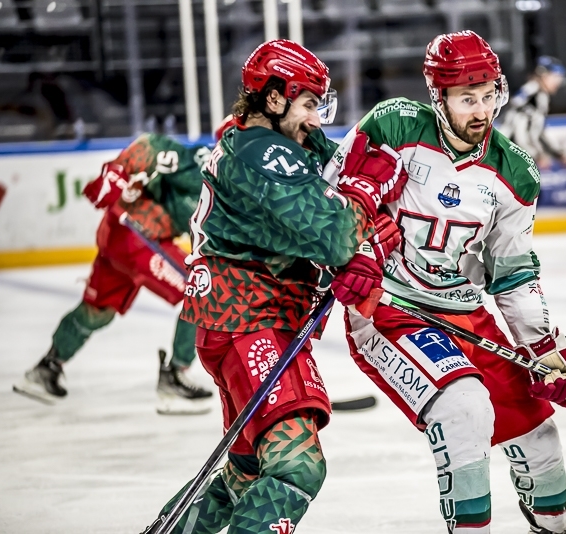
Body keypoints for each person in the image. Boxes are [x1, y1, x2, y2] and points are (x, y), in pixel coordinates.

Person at [325, 31, 566, 534]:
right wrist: (353, 243)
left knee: (538, 431)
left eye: (489, 95)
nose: (482, 110)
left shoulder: (514, 172)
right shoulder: (394, 126)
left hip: (462, 309)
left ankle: (555, 530)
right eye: (468, 98)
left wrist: (543, 347)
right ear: (438, 96)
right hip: (388, 307)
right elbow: (331, 200)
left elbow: (512, 269)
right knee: (464, 410)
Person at [141, 39, 405, 533]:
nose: (316, 120)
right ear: (275, 98)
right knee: (295, 467)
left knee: (246, 474)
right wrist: (366, 205)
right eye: (309, 104)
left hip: (244, 321)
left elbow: (340, 171)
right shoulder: (264, 153)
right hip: (250, 320)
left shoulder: (278, 141)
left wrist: (362, 229)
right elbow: (334, 232)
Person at [13, 133, 215, 415]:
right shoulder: (209, 162)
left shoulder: (248, 185)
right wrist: (118, 170)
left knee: (98, 311)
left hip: (122, 234)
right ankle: (175, 376)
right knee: (203, 290)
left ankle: (46, 369)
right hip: (138, 235)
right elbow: (153, 146)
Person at [498, 55, 566, 170]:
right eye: (555, 77)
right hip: (509, 156)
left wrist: (558, 153)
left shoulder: (541, 95)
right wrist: (535, 155)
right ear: (543, 75)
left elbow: (538, 128)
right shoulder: (531, 92)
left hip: (516, 155)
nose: (558, 82)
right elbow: (518, 128)